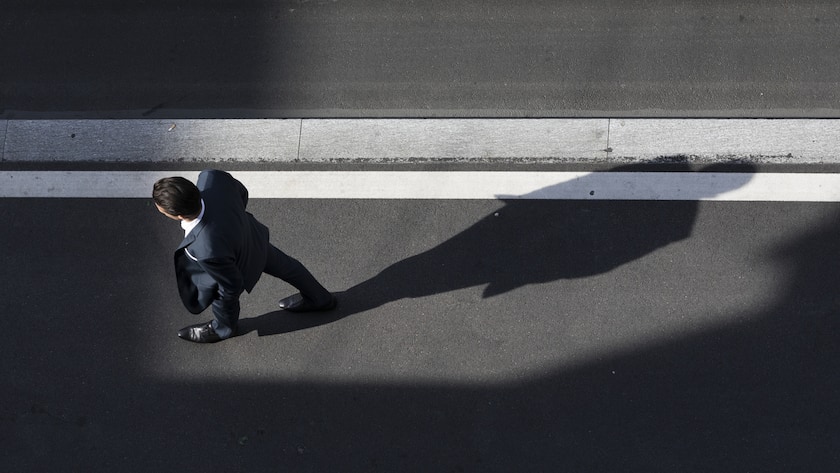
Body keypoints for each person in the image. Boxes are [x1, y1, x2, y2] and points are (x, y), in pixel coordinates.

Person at [152, 169, 336, 343]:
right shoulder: (212, 178)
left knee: (222, 298)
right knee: (288, 267)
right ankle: (320, 298)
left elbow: (230, 285)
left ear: (179, 215)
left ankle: (224, 329)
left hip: (234, 261)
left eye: (163, 211)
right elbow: (241, 192)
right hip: (252, 237)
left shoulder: (203, 248)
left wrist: (226, 302)